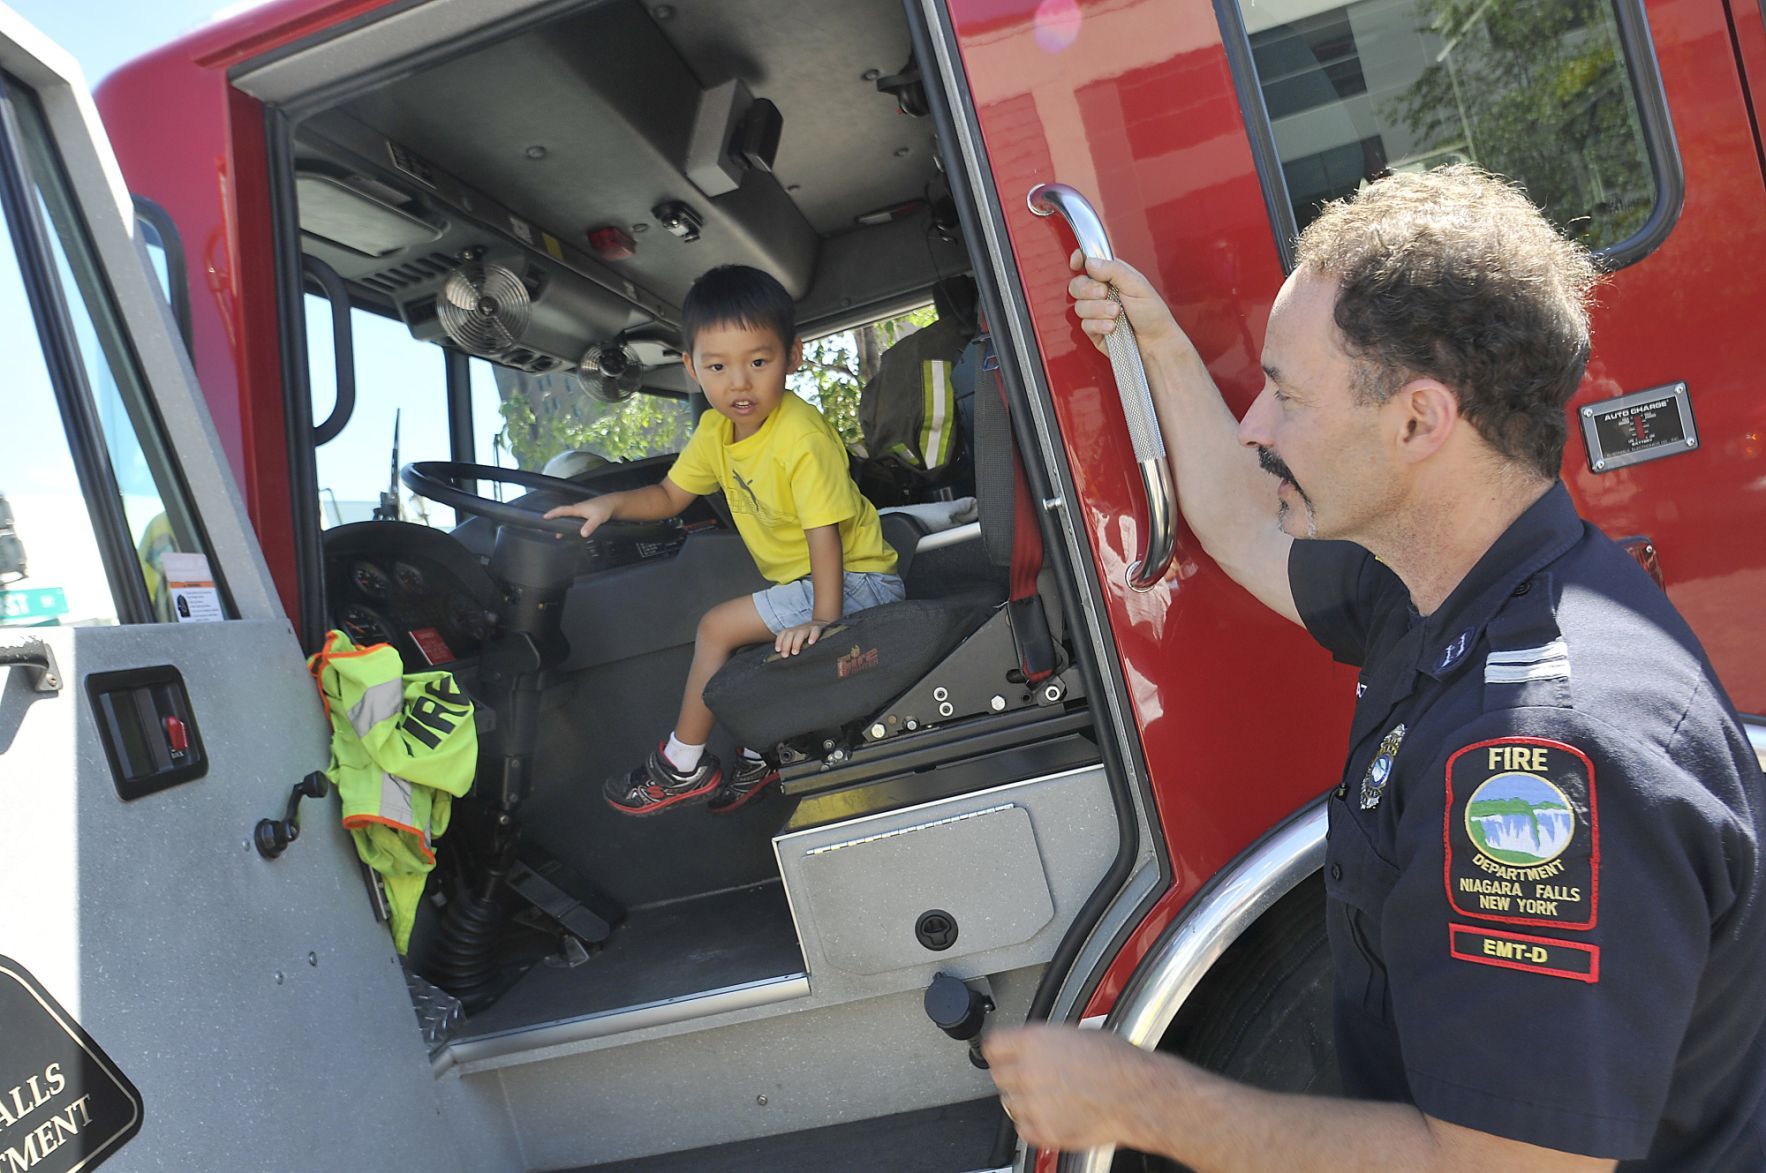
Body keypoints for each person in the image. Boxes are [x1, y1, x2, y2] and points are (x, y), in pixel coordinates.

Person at [985, 166, 1764, 1168]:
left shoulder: (1533, 751)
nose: (1257, 428)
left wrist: (1137, 1100)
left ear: (1416, 423)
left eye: (1284, 394)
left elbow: (1507, 1167)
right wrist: (1154, 349)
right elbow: (1234, 516)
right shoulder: (1443, 582)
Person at [545, 264, 902, 816]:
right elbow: (667, 497)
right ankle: (768, 748)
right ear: (691, 368)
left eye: (759, 362)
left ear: (793, 356)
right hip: (815, 582)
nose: (739, 383)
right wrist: (611, 503)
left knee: (717, 627)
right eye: (718, 366)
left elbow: (824, 536)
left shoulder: (800, 437)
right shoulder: (715, 432)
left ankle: (681, 766)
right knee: (753, 630)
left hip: (860, 585)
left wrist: (824, 621)